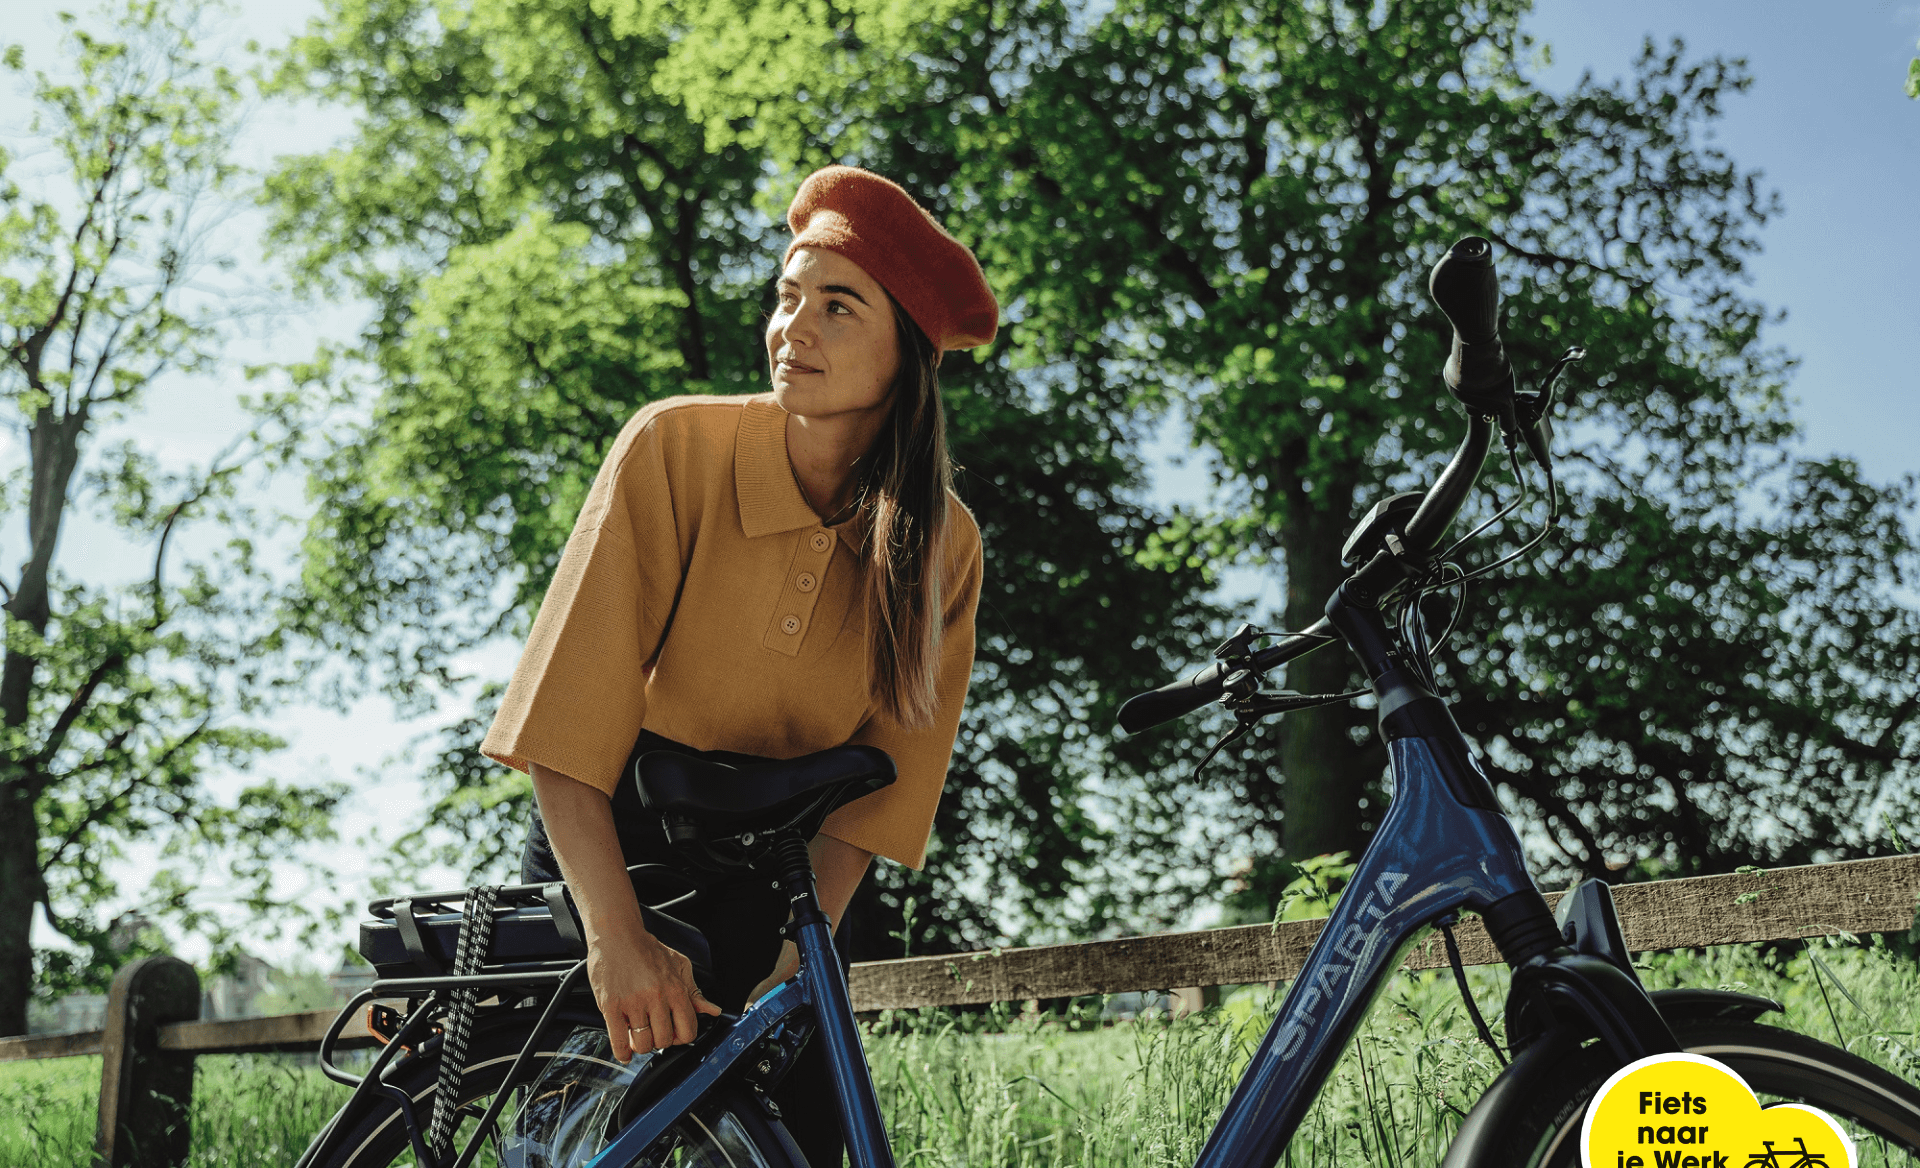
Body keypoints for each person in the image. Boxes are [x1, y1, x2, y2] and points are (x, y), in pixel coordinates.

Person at [479, 165, 994, 1166]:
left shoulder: (946, 549)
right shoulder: (672, 449)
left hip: (788, 880)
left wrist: (805, 955)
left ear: (905, 358)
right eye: (786, 296)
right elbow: (565, 723)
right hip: (616, 846)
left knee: (800, 1143)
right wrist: (614, 939)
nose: (791, 326)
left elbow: (877, 792)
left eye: (837, 306)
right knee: (586, 1135)